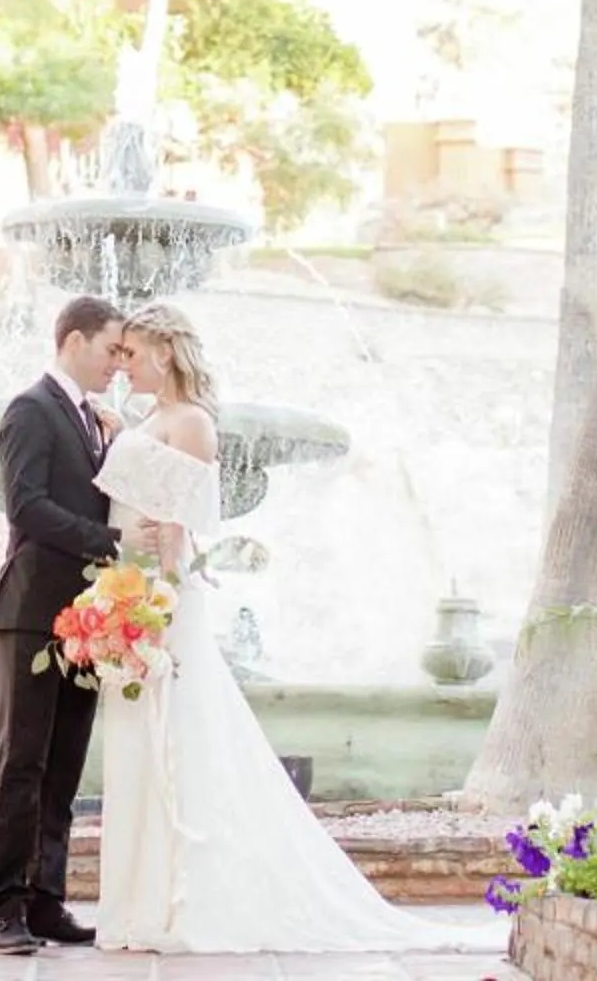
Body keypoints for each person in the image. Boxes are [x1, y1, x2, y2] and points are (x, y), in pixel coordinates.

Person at [92, 301, 501, 956]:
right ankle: (142, 900)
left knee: (176, 742)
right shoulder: (149, 418)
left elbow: (186, 526)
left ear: (165, 353)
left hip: (161, 603)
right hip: (127, 595)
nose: (124, 365)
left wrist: (157, 603)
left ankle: (183, 900)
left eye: (133, 354)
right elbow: (135, 495)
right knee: (138, 747)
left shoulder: (193, 422)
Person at [0, 294, 125, 956]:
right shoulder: (30, 410)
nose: (118, 364)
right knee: (22, 763)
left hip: (89, 619)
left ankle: (45, 901)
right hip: (31, 612)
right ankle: (4, 906)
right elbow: (26, 506)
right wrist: (110, 539)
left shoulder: (96, 420)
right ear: (73, 341)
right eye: (110, 350)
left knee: (64, 766)